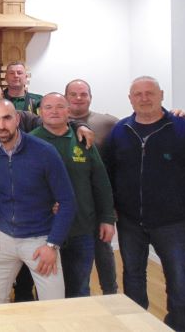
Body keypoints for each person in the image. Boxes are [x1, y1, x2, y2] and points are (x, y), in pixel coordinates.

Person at [104, 76, 185, 332]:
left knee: (178, 279)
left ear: (162, 95)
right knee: (133, 276)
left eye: (150, 93)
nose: (144, 98)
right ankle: (137, 326)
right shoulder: (121, 131)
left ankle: (178, 327)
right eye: (138, 94)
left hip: (173, 223)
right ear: (130, 99)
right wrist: (111, 206)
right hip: (130, 221)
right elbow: (109, 173)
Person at [0, 99, 76, 304]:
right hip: (3, 238)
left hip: (40, 239)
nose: (1, 125)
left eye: (7, 118)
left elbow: (67, 201)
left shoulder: (44, 152)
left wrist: (52, 244)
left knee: (54, 305)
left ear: (17, 119)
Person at [30, 93, 115, 298]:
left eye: (60, 106)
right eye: (48, 107)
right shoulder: (30, 142)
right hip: (44, 230)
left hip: (81, 228)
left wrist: (107, 218)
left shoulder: (84, 140)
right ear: (40, 112)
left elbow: (100, 182)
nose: (54, 111)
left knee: (80, 288)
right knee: (48, 291)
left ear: (69, 111)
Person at [65, 78, 119, 295]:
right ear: (66, 97)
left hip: (98, 202)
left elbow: (139, 124)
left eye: (83, 94)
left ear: (90, 97)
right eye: (73, 94)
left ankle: (110, 295)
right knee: (77, 258)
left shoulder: (108, 123)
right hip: (70, 203)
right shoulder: (55, 122)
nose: (78, 98)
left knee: (103, 251)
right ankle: (78, 296)